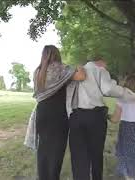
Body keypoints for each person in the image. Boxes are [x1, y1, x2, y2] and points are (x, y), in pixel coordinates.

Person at [66, 57, 135, 180]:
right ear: (100, 62)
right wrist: (133, 96)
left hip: (75, 116)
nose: (106, 67)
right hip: (95, 117)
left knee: (78, 156)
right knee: (96, 154)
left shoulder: (75, 71)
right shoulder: (99, 69)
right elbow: (108, 89)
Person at [31, 45, 86, 180]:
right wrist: (79, 66)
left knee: (43, 149)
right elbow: (81, 76)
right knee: (56, 151)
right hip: (57, 115)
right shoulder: (60, 68)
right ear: (57, 54)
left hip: (42, 112)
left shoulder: (37, 71)